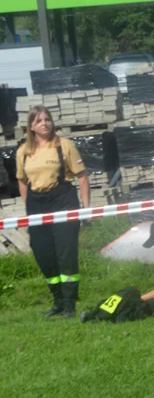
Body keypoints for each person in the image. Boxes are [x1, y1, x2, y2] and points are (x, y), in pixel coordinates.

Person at [15, 106, 90, 317]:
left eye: (47, 119)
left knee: (65, 254)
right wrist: (28, 204)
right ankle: (57, 300)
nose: (44, 123)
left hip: (63, 200)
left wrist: (86, 209)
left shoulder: (64, 146)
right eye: (39, 121)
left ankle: (69, 304)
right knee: (42, 253)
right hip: (37, 204)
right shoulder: (23, 151)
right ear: (31, 126)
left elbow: (82, 176)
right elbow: (21, 180)